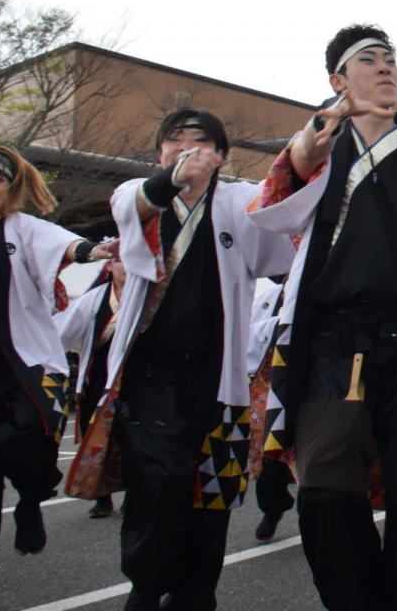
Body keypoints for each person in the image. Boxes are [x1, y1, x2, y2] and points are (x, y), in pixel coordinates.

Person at [245, 25, 397, 611]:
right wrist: (306, 152)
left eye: (391, 60)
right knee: (324, 485)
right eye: (368, 60)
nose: (385, 69)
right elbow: (271, 212)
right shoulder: (323, 141)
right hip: (333, 337)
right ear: (337, 81)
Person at [63, 108, 296, 611]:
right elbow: (137, 200)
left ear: (220, 156)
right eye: (175, 140)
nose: (188, 148)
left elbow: (278, 211)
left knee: (214, 497)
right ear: (159, 153)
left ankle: (196, 595)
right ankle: (146, 589)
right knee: (159, 482)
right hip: (151, 376)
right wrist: (170, 180)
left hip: (221, 379)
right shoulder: (137, 198)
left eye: (202, 141)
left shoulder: (235, 201)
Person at [0, 145, 114, 611]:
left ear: (11, 187)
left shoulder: (21, 230)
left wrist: (91, 249)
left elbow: (62, 243)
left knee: (29, 434)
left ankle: (29, 499)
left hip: (15, 363)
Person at [55, 258, 128, 519]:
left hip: (134, 378)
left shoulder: (148, 296)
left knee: (130, 438)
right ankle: (101, 496)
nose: (126, 267)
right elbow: (61, 332)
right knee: (95, 436)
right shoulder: (95, 299)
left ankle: (132, 492)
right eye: (120, 261)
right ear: (109, 267)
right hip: (98, 379)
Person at [244, 278, 294, 542]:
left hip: (310, 379)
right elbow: (249, 337)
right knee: (270, 454)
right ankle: (272, 508)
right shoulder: (269, 297)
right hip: (268, 383)